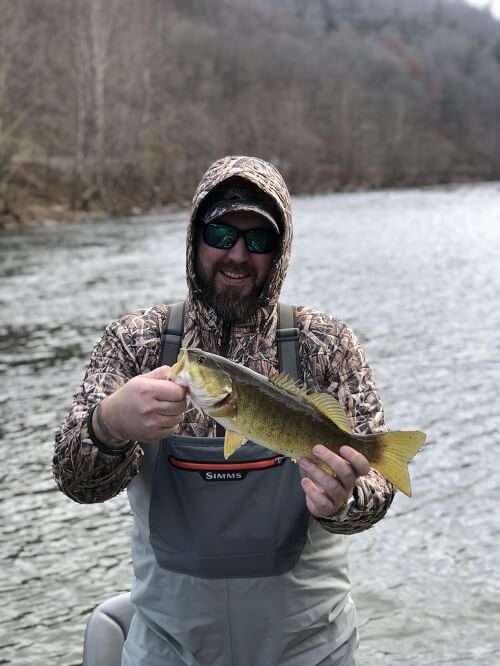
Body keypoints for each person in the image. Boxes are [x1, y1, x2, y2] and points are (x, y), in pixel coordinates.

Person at [53, 155, 395, 665]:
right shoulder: (137, 343)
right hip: (169, 650)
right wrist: (110, 424)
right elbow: (76, 482)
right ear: (194, 238)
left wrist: (345, 500)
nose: (238, 254)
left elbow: (377, 489)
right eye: (221, 232)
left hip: (310, 650)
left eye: (259, 240)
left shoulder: (326, 343)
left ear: (280, 252)